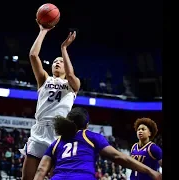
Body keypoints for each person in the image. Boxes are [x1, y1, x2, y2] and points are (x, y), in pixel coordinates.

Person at [20, 20, 81, 180]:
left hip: (58, 133)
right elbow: (33, 55)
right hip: (39, 130)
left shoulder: (72, 84)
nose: (57, 63)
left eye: (60, 61)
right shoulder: (44, 80)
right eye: (55, 61)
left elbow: (70, 74)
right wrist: (43, 31)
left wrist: (64, 49)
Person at [33, 107, 162, 180]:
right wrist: (150, 171)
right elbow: (119, 157)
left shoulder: (56, 143)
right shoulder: (90, 136)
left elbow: (41, 170)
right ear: (87, 124)